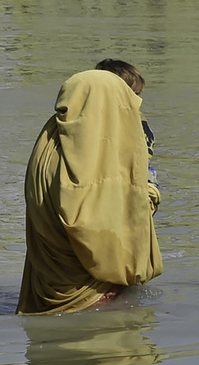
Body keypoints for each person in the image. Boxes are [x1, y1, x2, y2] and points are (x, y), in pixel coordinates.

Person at [17, 69, 163, 315]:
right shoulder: (96, 156)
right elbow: (96, 226)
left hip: (46, 287)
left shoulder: (49, 144)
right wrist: (149, 191)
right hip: (94, 295)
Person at [95, 58, 158, 187]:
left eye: (139, 94)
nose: (138, 100)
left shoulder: (138, 122)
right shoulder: (94, 123)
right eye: (132, 94)